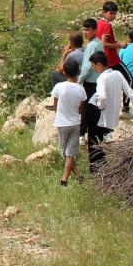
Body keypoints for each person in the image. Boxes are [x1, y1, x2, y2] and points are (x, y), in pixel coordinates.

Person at [88, 50, 133, 172]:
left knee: (94, 143)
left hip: (100, 114)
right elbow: (130, 92)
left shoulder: (101, 78)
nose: (93, 68)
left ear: (99, 64)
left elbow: (102, 96)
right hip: (112, 116)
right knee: (102, 142)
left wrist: (99, 106)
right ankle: (104, 167)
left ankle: (96, 170)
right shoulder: (118, 74)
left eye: (93, 66)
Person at [50, 55, 86, 186]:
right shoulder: (81, 89)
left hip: (61, 123)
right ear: (78, 72)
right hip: (75, 124)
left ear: (64, 71)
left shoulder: (59, 87)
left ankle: (63, 180)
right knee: (69, 154)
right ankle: (79, 176)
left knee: (66, 153)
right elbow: (81, 107)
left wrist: (59, 112)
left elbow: (55, 104)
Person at [95, 1, 128, 82]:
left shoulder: (99, 23)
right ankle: (127, 95)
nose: (113, 16)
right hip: (111, 58)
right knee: (128, 79)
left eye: (115, 14)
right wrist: (119, 45)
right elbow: (104, 43)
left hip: (103, 58)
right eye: (111, 13)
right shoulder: (107, 25)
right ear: (103, 12)